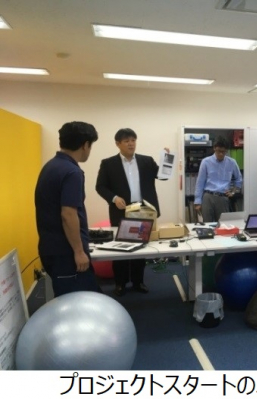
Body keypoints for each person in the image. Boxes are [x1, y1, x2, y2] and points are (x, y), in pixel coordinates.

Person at [96, 128, 166, 297]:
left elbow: (163, 175)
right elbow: (100, 186)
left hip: (143, 210)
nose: (131, 144)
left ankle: (138, 281)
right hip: (121, 211)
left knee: (140, 248)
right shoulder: (108, 163)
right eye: (126, 141)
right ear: (118, 144)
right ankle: (120, 283)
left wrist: (166, 160)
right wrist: (114, 198)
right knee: (120, 248)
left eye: (133, 140)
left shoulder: (146, 161)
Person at [35, 121, 101, 297]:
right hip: (66, 253)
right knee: (80, 301)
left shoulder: (51, 166)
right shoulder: (72, 172)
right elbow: (68, 214)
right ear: (85, 145)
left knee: (75, 295)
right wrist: (79, 252)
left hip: (51, 248)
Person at [194, 136, 243, 223]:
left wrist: (233, 191)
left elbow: (239, 179)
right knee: (207, 224)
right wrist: (198, 201)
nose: (221, 154)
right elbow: (200, 182)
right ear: (214, 149)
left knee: (223, 225)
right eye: (218, 151)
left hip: (223, 197)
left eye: (223, 152)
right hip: (208, 196)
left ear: (226, 151)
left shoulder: (232, 162)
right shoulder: (206, 162)